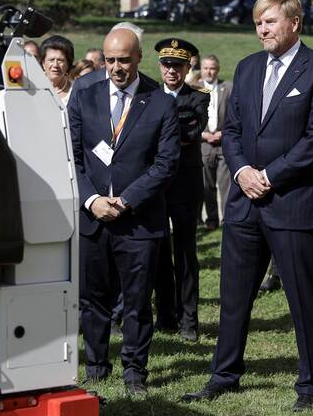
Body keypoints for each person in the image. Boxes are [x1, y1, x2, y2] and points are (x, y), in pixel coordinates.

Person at [181, 0, 313, 412]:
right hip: (245, 203)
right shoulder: (248, 68)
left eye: (270, 22)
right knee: (234, 296)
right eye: (258, 23)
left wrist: (269, 176)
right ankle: (224, 375)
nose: (262, 30)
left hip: (293, 203)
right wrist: (241, 172)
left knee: (302, 299)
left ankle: (311, 386)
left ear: (295, 23)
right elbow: (232, 130)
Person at [68, 28, 179, 396]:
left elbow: (165, 164)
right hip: (92, 219)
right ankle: (97, 366)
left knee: (136, 302)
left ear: (139, 57)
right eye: (110, 60)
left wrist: (127, 200)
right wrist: (92, 201)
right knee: (92, 299)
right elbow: (72, 156)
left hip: (139, 221)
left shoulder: (160, 101)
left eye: (124, 60)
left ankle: (135, 371)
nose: (116, 68)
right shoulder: (84, 94)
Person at [153, 38, 210, 342]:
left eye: (178, 65)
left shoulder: (198, 97)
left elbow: (190, 132)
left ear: (188, 67)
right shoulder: (148, 94)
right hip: (158, 185)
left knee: (186, 253)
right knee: (160, 250)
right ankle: (165, 315)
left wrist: (159, 131)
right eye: (167, 64)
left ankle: (189, 320)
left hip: (186, 184)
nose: (172, 70)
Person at [200, 55, 233, 231]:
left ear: (217, 69)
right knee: (207, 184)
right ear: (201, 70)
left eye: (212, 68)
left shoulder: (228, 88)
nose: (209, 71)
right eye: (205, 68)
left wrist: (223, 133)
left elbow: (236, 115)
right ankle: (211, 218)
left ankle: (227, 219)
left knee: (225, 183)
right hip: (203, 143)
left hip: (223, 142)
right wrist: (204, 134)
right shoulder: (194, 88)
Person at [40, 35, 74, 105]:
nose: (55, 65)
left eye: (60, 60)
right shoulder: (34, 88)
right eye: (51, 60)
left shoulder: (76, 91)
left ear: (68, 64)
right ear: (43, 63)